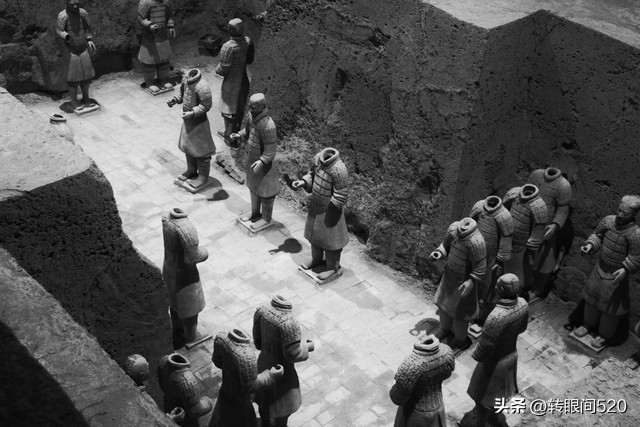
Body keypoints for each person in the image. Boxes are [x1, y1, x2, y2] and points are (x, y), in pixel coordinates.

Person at [575, 195, 640, 348]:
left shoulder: (635, 234)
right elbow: (597, 235)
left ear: (633, 214)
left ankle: (604, 335)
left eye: (625, 213)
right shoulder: (608, 221)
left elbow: (636, 256)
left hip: (616, 276)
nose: (620, 215)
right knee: (591, 298)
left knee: (610, 308)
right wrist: (590, 245)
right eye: (619, 210)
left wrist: (625, 269)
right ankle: (587, 325)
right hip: (599, 268)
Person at [465, 273, 528, 427]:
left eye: (497, 285)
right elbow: (522, 328)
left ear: (500, 290)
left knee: (482, 397)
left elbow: (486, 346)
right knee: (498, 394)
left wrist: (475, 355)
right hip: (511, 356)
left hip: (493, 363)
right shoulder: (523, 304)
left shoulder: (496, 316)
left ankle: (480, 424)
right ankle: (493, 418)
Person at [253, 295, 314, 427]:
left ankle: (265, 425)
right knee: (282, 408)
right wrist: (307, 347)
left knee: (264, 401)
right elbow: (294, 355)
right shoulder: (288, 322)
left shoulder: (261, 310)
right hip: (282, 373)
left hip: (263, 364)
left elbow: (257, 342)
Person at [292, 147, 350, 280]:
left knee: (331, 243)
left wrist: (331, 210)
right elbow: (312, 176)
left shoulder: (339, 169)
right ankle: (316, 259)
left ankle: (332, 267)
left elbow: (341, 193)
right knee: (315, 238)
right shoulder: (318, 159)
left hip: (330, 212)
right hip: (315, 208)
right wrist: (303, 182)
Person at [430, 217, 487, 350]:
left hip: (463, 284)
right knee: (443, 306)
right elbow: (445, 245)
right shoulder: (453, 229)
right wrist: (439, 253)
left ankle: (460, 338)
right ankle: (444, 328)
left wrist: (471, 282)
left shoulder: (476, 242)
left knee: (460, 314)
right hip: (449, 277)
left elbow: (480, 267)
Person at [210, 328, 283, 427]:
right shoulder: (247, 355)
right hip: (241, 404)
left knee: (221, 419)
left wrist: (232, 371)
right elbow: (252, 386)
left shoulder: (221, 338)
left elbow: (217, 362)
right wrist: (270, 375)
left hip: (225, 393)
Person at [230, 93, 280, 230]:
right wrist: (239, 135)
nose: (250, 109)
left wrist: (262, 161)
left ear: (262, 107)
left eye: (253, 107)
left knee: (266, 193)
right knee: (253, 188)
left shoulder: (268, 125)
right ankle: (255, 213)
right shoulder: (251, 116)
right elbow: (247, 131)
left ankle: (266, 219)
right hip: (252, 160)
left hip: (265, 167)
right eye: (250, 106)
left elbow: (271, 150)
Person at [161, 208, 209, 349]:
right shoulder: (185, 227)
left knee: (174, 302)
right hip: (185, 276)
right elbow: (192, 257)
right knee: (190, 306)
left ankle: (177, 330)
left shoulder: (166, 220)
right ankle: (190, 336)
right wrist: (205, 252)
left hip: (169, 268)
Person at [390, 335, 455, 427]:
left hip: (415, 414)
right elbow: (447, 375)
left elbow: (397, 398)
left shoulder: (411, 363)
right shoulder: (447, 352)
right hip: (438, 404)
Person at [168, 69, 216, 191]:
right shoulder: (185, 79)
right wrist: (175, 100)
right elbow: (181, 93)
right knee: (188, 147)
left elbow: (206, 105)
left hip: (199, 124)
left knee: (202, 151)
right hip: (188, 122)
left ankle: (203, 177)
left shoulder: (203, 86)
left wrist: (193, 113)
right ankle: (192, 170)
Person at [527, 167, 572, 297]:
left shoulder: (563, 185)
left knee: (544, 260)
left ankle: (537, 288)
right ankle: (524, 284)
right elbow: (525, 193)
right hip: (529, 223)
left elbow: (563, 209)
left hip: (546, 229)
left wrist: (555, 225)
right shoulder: (536, 175)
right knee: (525, 257)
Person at [469, 195, 514, 324]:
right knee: (472, 283)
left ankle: (483, 317)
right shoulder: (479, 206)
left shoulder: (504, 216)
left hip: (491, 258)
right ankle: (470, 311)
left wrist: (500, 262)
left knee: (488, 288)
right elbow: (470, 224)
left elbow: (506, 238)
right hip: (474, 253)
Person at [502, 184, 547, 293]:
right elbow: (503, 210)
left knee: (521, 273)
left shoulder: (538, 206)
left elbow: (538, 230)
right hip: (509, 240)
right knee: (506, 269)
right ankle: (506, 290)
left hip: (523, 245)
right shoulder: (514, 193)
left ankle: (518, 292)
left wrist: (531, 250)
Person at [215, 18, 254, 141]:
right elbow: (250, 60)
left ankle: (229, 134)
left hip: (231, 83)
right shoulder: (248, 42)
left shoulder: (228, 47)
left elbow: (224, 69)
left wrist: (217, 69)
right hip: (243, 80)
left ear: (230, 30)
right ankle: (238, 131)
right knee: (240, 107)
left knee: (228, 109)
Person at [56, 0, 96, 110]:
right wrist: (66, 36)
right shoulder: (62, 15)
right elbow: (58, 30)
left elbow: (87, 27)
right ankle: (74, 102)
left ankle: (86, 99)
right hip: (71, 50)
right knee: (73, 80)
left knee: (87, 77)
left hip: (83, 47)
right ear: (67, 3)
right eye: (72, 4)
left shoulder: (83, 13)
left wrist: (89, 40)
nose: (75, 6)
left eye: (76, 3)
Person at [137, 0, 175, 92]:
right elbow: (141, 18)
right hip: (150, 38)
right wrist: (149, 25)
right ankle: (149, 83)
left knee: (164, 61)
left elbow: (169, 16)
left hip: (163, 36)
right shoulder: (145, 2)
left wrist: (170, 27)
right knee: (149, 62)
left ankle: (162, 80)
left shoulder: (166, 2)